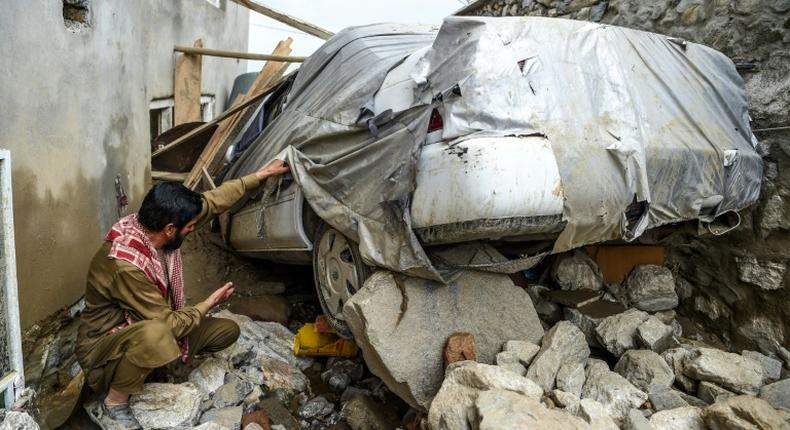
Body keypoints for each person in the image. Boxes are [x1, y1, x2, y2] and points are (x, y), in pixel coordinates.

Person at [76, 160, 289, 429]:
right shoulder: (125, 264)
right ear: (170, 229)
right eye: (189, 227)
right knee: (157, 335)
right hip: (103, 352)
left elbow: (210, 203)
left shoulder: (153, 229)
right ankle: (114, 402)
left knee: (227, 331)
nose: (193, 229)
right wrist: (208, 303)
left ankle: (158, 368)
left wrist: (259, 176)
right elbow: (166, 323)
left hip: (148, 326)